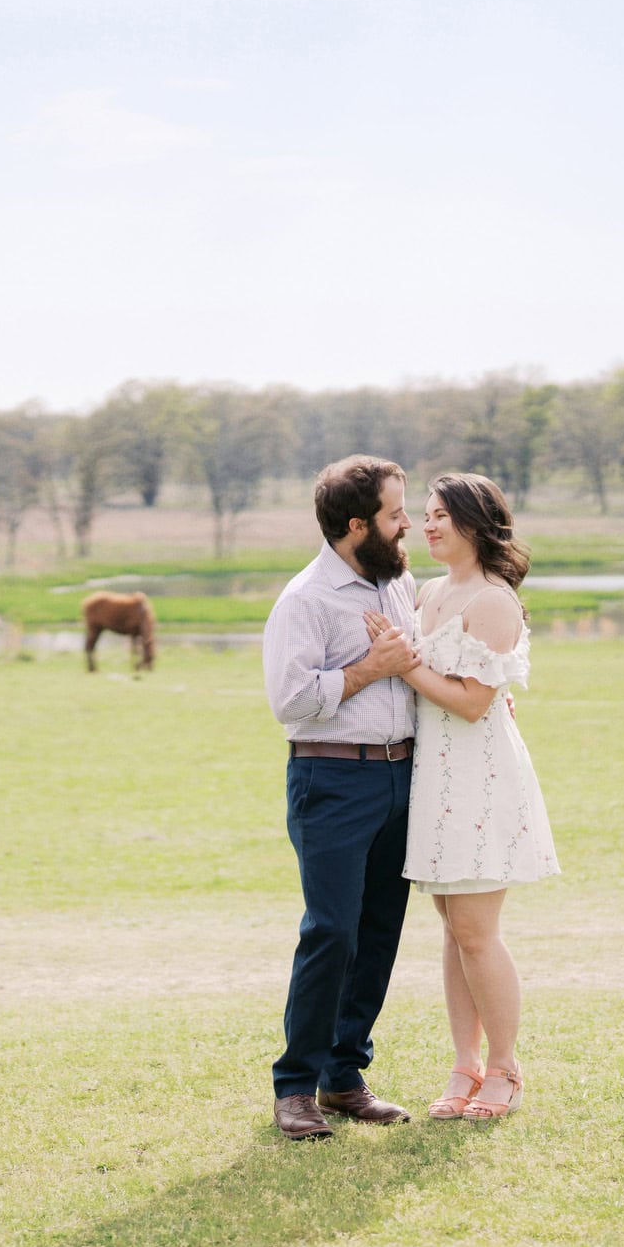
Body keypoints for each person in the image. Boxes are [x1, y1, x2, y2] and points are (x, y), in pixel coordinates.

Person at [368, 472, 559, 1123]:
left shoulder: (493, 601)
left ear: (476, 523)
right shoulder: (427, 592)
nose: (427, 526)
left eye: (441, 515)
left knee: (477, 932)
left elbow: (476, 704)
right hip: (435, 778)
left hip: (480, 775)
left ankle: (505, 1068)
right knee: (454, 932)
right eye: (424, 514)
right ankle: (465, 1065)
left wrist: (406, 665)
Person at [261, 455, 424, 1141]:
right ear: (357, 525)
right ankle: (295, 1087)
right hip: (331, 781)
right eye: (395, 514)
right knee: (331, 931)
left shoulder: (399, 584)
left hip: (403, 777)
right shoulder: (305, 600)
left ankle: (344, 1077)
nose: (407, 523)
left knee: (380, 929)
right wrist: (370, 668)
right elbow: (291, 700)